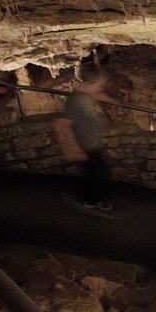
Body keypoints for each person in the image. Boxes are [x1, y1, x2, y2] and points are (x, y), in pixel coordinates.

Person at [54, 65, 113, 210]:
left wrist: (112, 100)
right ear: (88, 83)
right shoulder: (75, 101)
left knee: (98, 172)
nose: (101, 88)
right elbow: (62, 125)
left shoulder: (86, 94)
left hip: (93, 143)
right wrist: (74, 149)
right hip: (85, 145)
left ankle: (91, 197)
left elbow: (96, 95)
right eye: (100, 85)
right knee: (96, 174)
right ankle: (90, 201)